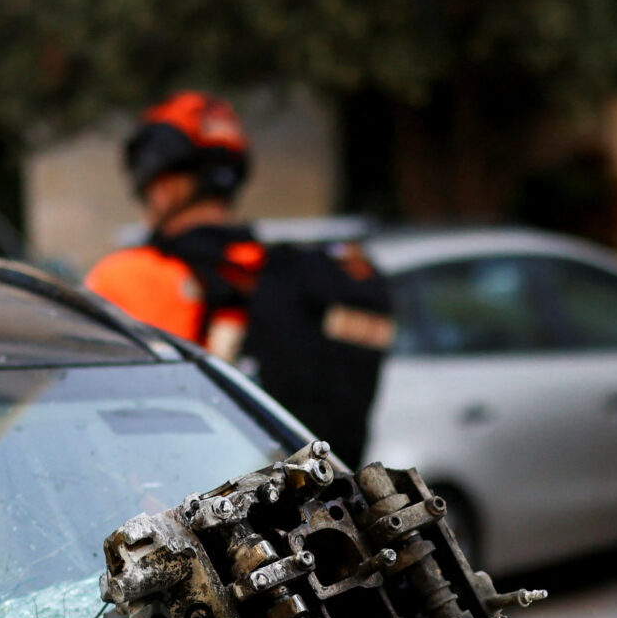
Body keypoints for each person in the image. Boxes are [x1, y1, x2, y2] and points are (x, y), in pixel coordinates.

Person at [86, 93, 395, 459]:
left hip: (186, 499)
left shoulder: (122, 278)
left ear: (166, 188)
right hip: (315, 499)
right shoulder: (304, 273)